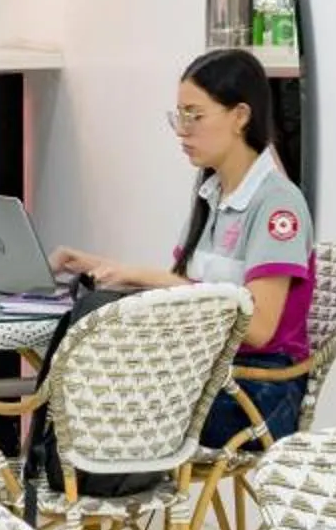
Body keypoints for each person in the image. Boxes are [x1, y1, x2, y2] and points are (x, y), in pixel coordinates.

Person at [47, 48, 312, 448]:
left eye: (194, 116)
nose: (182, 130)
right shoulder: (212, 193)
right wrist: (104, 267)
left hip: (258, 393)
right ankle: (57, 479)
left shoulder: (277, 205)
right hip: (205, 372)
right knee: (86, 385)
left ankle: (65, 482)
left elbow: (258, 328)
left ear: (240, 116)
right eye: (179, 116)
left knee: (105, 407)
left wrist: (145, 276)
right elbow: (185, 292)